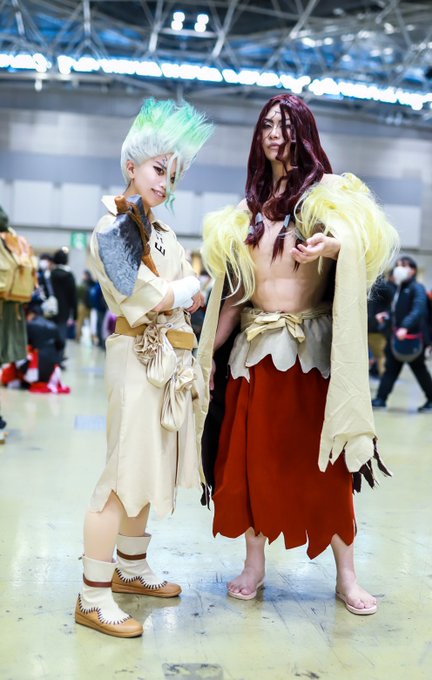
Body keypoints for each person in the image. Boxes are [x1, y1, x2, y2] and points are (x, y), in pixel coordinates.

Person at [197, 94, 399, 616]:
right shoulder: (245, 213)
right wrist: (203, 355)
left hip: (312, 357)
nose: (274, 133)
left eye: (285, 124)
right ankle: (254, 565)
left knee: (327, 468)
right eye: (267, 124)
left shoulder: (328, 198)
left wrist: (334, 247)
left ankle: (347, 576)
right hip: (253, 357)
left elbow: (364, 239)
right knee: (252, 465)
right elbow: (234, 297)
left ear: (303, 131)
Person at [75, 97, 213, 638]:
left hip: (168, 361)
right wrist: (183, 289)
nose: (165, 182)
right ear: (130, 165)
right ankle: (92, 595)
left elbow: (181, 294)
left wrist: (182, 292)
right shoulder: (112, 227)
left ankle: (131, 568)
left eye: (172, 174)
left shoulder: (163, 233)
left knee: (147, 469)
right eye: (158, 169)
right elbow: (146, 293)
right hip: (136, 358)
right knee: (119, 475)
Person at [372, 256, 432, 412]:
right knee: (391, 368)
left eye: (404, 265)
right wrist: (387, 315)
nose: (399, 268)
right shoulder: (400, 288)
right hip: (398, 337)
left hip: (412, 338)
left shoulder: (417, 288)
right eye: (397, 265)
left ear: (413, 270)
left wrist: (405, 327)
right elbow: (399, 311)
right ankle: (381, 399)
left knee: (419, 370)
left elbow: (418, 310)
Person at [48, 248, 78, 359]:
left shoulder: (50, 275)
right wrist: (75, 315)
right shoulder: (69, 276)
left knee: (50, 334)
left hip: (50, 310)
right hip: (64, 311)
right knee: (61, 334)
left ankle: (51, 358)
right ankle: (59, 358)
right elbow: (73, 296)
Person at [76, 269, 95, 342]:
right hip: (89, 306)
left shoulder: (83, 284)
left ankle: (78, 337)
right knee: (90, 323)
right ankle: (91, 338)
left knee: (80, 322)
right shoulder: (92, 284)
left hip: (84, 305)